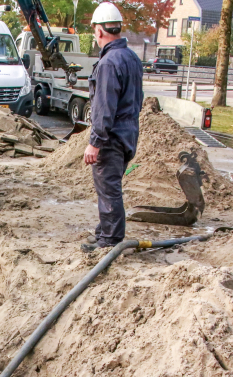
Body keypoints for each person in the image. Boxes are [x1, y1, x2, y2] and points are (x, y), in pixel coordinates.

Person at [81, 2, 143, 253]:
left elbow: (105, 108)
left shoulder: (108, 63)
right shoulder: (131, 58)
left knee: (108, 189)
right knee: (110, 186)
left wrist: (95, 142)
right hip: (128, 132)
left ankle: (110, 241)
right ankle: (105, 231)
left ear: (99, 31)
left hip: (112, 136)